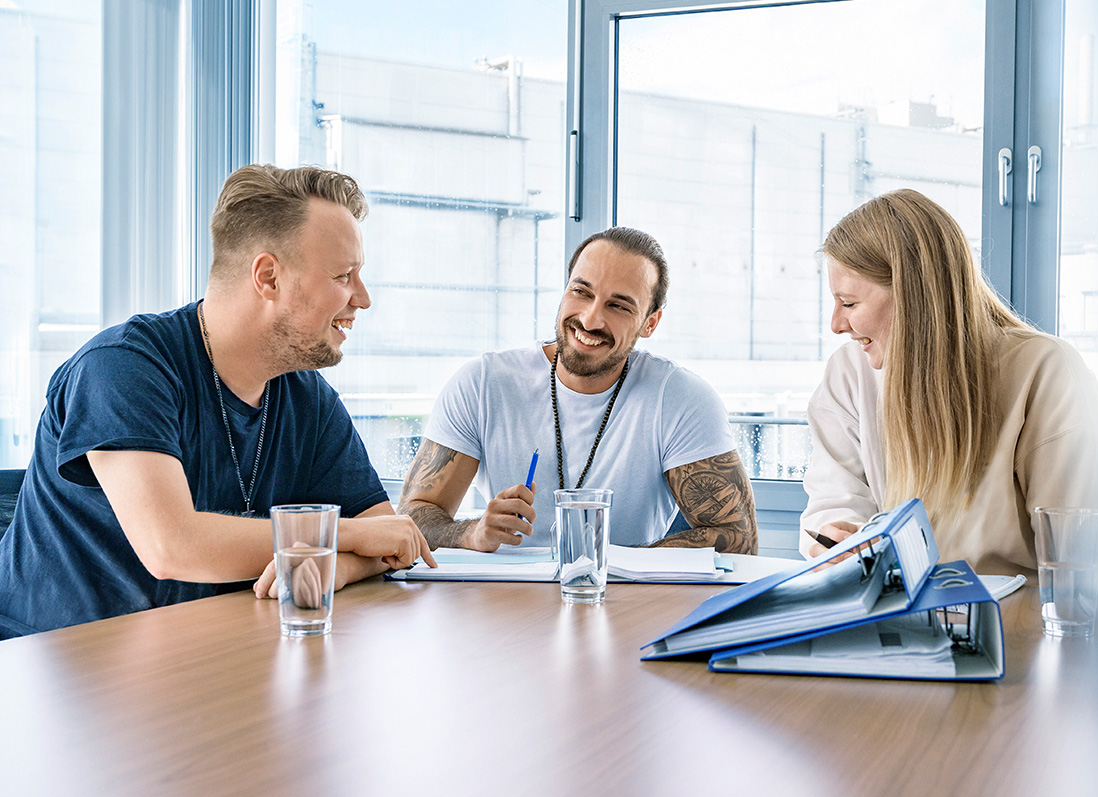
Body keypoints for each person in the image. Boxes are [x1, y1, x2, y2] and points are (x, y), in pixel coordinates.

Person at [0, 164, 435, 637]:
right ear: (268, 277)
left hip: (208, 659)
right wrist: (336, 538)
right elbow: (171, 546)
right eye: (344, 275)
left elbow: (389, 538)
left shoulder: (308, 399)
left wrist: (335, 566)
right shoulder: (123, 368)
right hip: (53, 672)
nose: (363, 298)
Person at [801, 189, 1098, 578]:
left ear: (914, 296)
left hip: (1013, 618)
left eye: (849, 303)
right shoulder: (849, 371)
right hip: (906, 612)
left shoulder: (1045, 371)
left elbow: (1077, 549)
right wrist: (840, 535)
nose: (836, 325)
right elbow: (835, 499)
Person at [399, 227, 758, 553]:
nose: (590, 319)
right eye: (581, 292)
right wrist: (472, 533)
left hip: (624, 604)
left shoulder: (680, 398)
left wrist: (602, 566)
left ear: (650, 322)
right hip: (501, 602)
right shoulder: (481, 383)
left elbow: (738, 539)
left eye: (618, 305)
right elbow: (412, 519)